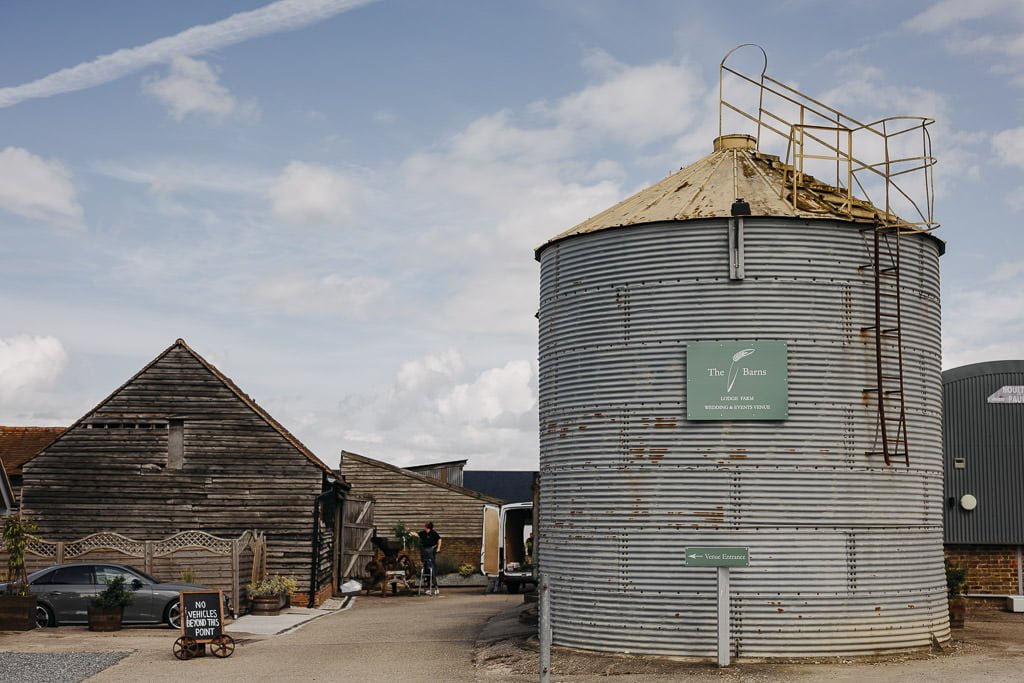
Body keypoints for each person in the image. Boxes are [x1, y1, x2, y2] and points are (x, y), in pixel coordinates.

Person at [416, 521, 442, 595]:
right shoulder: (423, 533)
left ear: (427, 526)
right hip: (424, 551)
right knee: (426, 570)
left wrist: (438, 548)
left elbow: (439, 539)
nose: (424, 526)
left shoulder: (433, 533)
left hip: (431, 550)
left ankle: (436, 587)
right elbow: (417, 534)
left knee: (431, 569)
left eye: (425, 525)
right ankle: (428, 587)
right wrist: (409, 533)